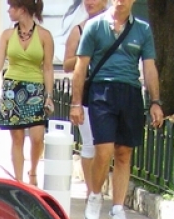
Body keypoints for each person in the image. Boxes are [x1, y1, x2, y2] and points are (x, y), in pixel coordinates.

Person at [68, 0, 162, 219]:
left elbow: (149, 67)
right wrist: (76, 103)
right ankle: (95, 195)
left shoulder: (142, 29)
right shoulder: (95, 26)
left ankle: (118, 209)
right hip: (102, 91)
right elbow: (80, 68)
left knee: (124, 152)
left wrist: (155, 102)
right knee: (104, 149)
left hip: (130, 92)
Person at [0, 0, 54, 185]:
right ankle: (18, 181)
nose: (8, 11)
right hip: (12, 88)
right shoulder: (7, 35)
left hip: (35, 89)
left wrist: (49, 96)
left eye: (12, 7)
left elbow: (48, 68)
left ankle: (32, 171)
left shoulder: (44, 36)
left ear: (22, 9)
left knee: (37, 137)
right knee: (17, 137)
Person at [62, 0, 107, 197]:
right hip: (87, 91)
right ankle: (92, 194)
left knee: (105, 146)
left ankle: (98, 188)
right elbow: (66, 64)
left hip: (108, 90)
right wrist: (85, 56)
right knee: (89, 144)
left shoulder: (113, 28)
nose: (90, 2)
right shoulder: (78, 30)